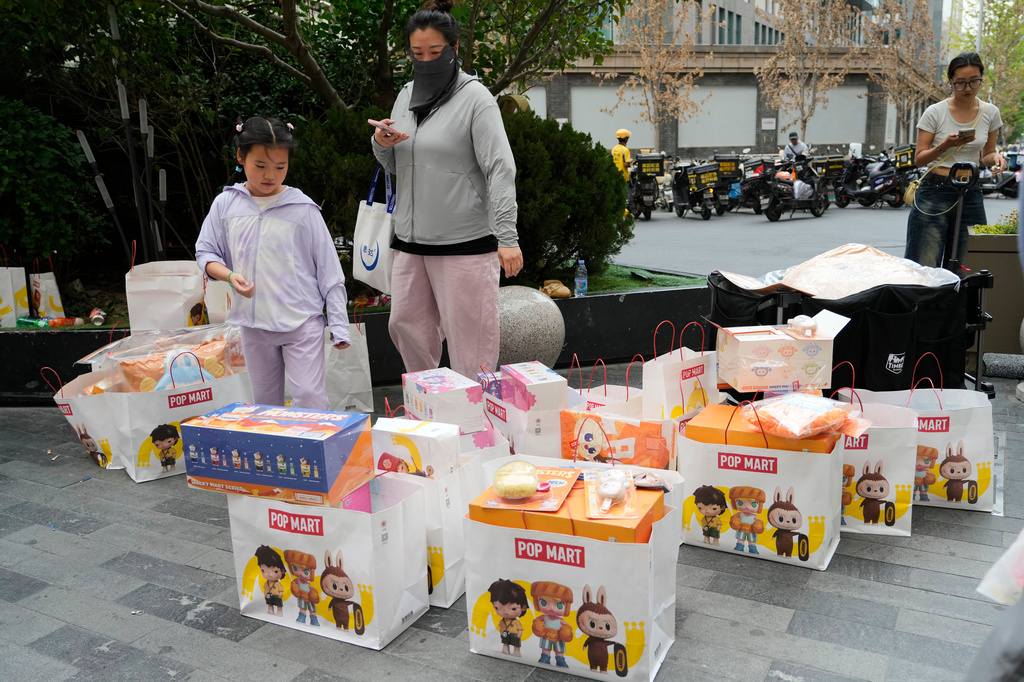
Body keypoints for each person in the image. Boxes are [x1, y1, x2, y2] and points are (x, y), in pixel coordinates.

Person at [371, 0, 522, 381]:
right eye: (417, 53)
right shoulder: (405, 94)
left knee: (472, 349)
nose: (426, 60)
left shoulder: (476, 99)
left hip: (465, 244)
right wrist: (382, 143)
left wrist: (507, 236)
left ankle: (480, 428)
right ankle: (430, 416)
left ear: (453, 49)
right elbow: (399, 167)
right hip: (410, 243)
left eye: (435, 52)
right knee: (405, 327)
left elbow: (500, 168)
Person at [195, 116, 350, 409]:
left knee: (309, 397)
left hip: (301, 322)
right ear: (241, 157)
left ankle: (316, 453)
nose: (271, 175)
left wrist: (339, 325)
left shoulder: (303, 209)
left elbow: (330, 271)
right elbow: (205, 253)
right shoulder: (226, 204)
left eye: (280, 167)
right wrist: (229, 276)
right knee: (264, 405)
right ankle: (276, 456)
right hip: (254, 326)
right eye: (261, 166)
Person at [905, 51, 1006, 269]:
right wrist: (944, 146)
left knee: (968, 261)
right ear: (950, 81)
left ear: (981, 78)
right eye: (960, 83)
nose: (968, 88)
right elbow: (919, 159)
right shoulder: (935, 112)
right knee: (925, 261)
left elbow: (986, 155)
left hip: (971, 191)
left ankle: (960, 304)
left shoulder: (991, 112)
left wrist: (996, 157)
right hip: (935, 189)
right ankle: (923, 304)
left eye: (974, 82)